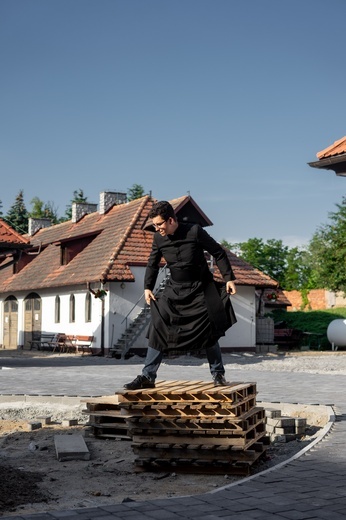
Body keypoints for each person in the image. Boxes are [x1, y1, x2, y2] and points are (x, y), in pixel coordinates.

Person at [124, 200, 237, 390]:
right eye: (155, 225)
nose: (156, 228)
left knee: (209, 327)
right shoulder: (158, 239)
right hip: (175, 288)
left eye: (159, 224)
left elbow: (218, 253)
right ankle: (147, 376)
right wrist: (147, 287)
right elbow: (152, 263)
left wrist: (229, 279)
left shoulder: (194, 231)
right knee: (158, 324)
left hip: (201, 287)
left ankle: (218, 374)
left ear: (170, 220)